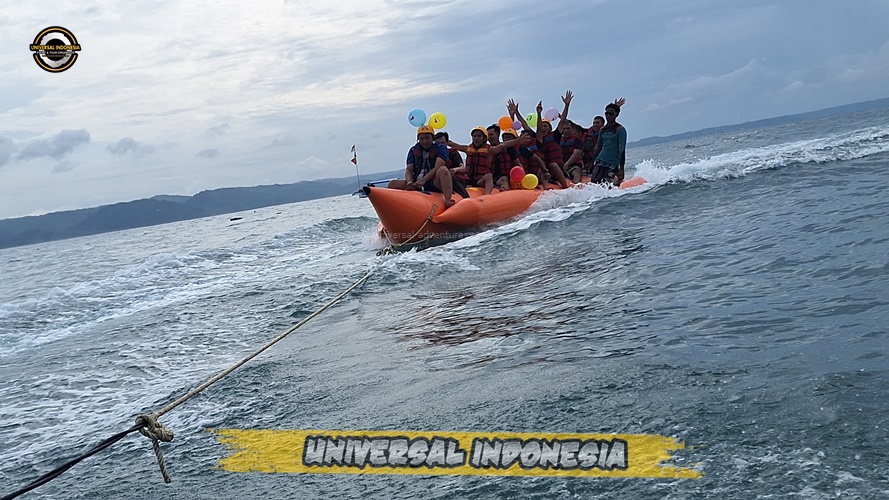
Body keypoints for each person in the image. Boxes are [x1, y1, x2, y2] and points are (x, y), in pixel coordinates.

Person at [389, 125, 455, 208]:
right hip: (416, 183)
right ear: (418, 139)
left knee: (443, 170)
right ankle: (394, 207)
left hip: (434, 182)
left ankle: (448, 200)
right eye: (422, 138)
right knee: (393, 184)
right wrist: (409, 182)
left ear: (432, 138)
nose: (425, 141)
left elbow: (438, 166)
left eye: (427, 138)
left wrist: (424, 180)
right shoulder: (413, 150)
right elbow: (409, 169)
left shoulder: (441, 148)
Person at [449, 126, 526, 195]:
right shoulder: (467, 149)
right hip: (468, 180)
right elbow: (453, 144)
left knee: (489, 176)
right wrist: (444, 141)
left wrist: (518, 140)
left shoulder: (489, 150)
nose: (476, 138)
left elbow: (503, 145)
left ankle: (487, 196)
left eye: (479, 136)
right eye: (474, 136)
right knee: (455, 175)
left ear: (484, 138)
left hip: (480, 181)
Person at [590, 103, 627, 186]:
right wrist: (592, 163)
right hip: (600, 161)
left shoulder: (620, 129)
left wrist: (621, 168)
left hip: (613, 162)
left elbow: (622, 149)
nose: (608, 116)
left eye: (611, 114)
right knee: (594, 183)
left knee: (609, 184)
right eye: (606, 113)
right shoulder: (602, 129)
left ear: (616, 115)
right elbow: (598, 146)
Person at [435, 131, 470, 199]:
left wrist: (454, 170)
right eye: (438, 143)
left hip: (455, 178)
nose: (441, 146)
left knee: (453, 180)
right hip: (440, 179)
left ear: (447, 143)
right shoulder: (433, 155)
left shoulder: (453, 153)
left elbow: (463, 168)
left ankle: (466, 197)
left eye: (443, 143)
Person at [488, 125, 522, 190]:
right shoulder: (486, 150)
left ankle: (505, 188)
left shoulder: (508, 149)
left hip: (507, 178)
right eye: (487, 135)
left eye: (491, 134)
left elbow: (517, 164)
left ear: (497, 134)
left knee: (504, 179)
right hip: (490, 179)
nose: (489, 137)